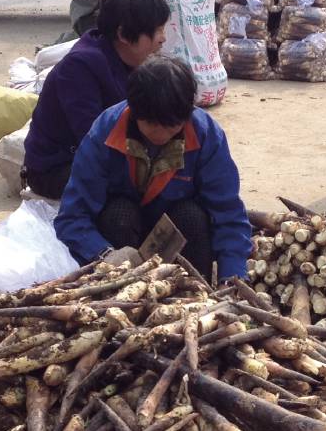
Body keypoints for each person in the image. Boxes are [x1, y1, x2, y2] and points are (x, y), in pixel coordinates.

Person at [55, 55, 251, 283]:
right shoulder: (104, 132)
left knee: (192, 216)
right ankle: (117, 292)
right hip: (123, 236)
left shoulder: (206, 135)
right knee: (119, 213)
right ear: (134, 110)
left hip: (179, 235)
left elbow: (228, 213)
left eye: (171, 125)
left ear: (187, 113)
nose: (160, 134)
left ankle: (194, 292)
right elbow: (72, 216)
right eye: (150, 124)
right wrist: (103, 254)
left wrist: (233, 278)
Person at [21, 0, 171, 199]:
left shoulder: (129, 60)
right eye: (157, 31)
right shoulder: (80, 68)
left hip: (106, 152)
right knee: (131, 199)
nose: (162, 38)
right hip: (57, 168)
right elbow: (93, 139)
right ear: (123, 35)